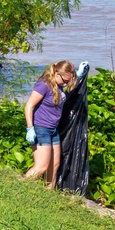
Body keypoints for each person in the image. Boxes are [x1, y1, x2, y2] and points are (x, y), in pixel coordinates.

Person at [24, 60, 76, 189]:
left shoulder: (58, 85)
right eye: (65, 80)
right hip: (41, 129)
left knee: (54, 165)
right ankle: (18, 189)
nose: (66, 84)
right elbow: (29, 106)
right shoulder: (44, 84)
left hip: (53, 130)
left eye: (68, 81)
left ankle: (49, 195)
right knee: (41, 167)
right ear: (57, 74)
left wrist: (80, 74)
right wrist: (30, 128)